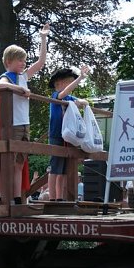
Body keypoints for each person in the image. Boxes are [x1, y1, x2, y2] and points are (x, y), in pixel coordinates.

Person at [0, 23, 49, 204]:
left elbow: (41, 63)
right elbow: (0, 85)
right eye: (19, 60)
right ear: (8, 62)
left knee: (20, 163)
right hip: (12, 125)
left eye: (24, 60)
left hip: (24, 124)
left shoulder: (23, 76)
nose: (23, 63)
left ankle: (17, 197)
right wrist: (20, 89)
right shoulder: (8, 77)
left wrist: (43, 38)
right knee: (9, 162)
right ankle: (7, 197)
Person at [47, 65, 90, 200]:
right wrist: (80, 78)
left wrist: (81, 102)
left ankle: (60, 197)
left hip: (67, 136)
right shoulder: (56, 96)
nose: (73, 85)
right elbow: (64, 94)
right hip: (56, 135)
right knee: (55, 168)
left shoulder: (70, 98)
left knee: (64, 169)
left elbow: (83, 102)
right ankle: (52, 197)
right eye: (70, 82)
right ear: (59, 84)